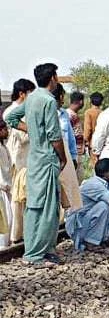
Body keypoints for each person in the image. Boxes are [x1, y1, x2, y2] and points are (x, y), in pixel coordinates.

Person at [5, 63, 67, 266]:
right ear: (53, 79)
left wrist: (31, 129)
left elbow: (11, 117)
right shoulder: (48, 101)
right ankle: (36, 253)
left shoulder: (32, 99)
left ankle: (42, 249)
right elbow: (54, 135)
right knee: (48, 208)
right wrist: (63, 156)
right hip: (47, 159)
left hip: (34, 160)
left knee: (34, 206)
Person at [65, 158, 109, 251]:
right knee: (106, 205)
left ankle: (105, 237)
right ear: (108, 173)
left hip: (85, 222)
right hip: (78, 227)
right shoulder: (94, 184)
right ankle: (91, 241)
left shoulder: (105, 184)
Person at [3, 78, 35, 245]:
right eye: (30, 92)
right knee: (16, 200)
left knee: (25, 200)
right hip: (17, 161)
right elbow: (22, 137)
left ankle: (23, 234)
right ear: (22, 94)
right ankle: (15, 236)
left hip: (26, 161)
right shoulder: (12, 112)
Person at [53, 84, 82, 213]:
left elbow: (70, 138)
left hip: (66, 158)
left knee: (69, 195)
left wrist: (73, 157)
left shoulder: (64, 114)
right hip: (51, 159)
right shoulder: (43, 113)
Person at [0, 120, 13, 246]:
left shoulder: (4, 147)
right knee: (5, 219)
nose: (7, 131)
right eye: (4, 129)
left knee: (8, 219)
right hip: (2, 188)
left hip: (6, 188)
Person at [83, 92, 104, 168]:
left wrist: (85, 140)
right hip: (103, 143)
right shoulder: (103, 113)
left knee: (95, 166)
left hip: (93, 143)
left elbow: (87, 129)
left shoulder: (88, 112)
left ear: (91, 101)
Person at [66, 91, 85, 168]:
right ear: (81, 102)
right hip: (73, 153)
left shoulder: (72, 114)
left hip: (77, 152)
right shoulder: (69, 115)